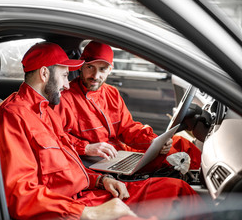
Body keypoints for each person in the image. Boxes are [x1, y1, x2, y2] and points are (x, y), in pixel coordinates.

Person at [0, 42, 210, 220]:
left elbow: (69, 163)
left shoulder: (44, 110)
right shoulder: (12, 117)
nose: (68, 83)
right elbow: (21, 195)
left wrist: (101, 180)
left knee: (177, 190)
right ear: (44, 73)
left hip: (90, 192)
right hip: (69, 211)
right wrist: (89, 213)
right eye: (66, 75)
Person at [56, 41, 202, 172]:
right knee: (170, 173)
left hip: (121, 153)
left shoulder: (111, 93)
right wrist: (86, 148)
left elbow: (128, 128)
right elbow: (56, 137)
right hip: (96, 162)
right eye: (90, 67)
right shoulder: (65, 97)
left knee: (181, 144)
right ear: (81, 66)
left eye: (102, 69)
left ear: (110, 70)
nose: (95, 75)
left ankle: (202, 181)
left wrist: (152, 141)